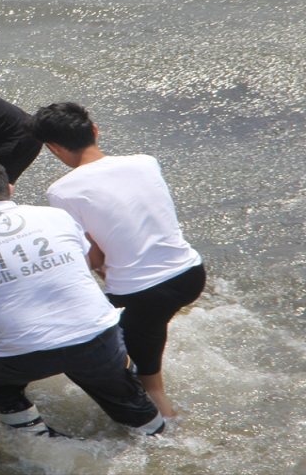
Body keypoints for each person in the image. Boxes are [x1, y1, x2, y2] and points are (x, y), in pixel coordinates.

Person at [0, 160, 165, 438]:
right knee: (121, 392)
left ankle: (34, 437)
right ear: (10, 188)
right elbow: (79, 267)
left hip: (21, 354)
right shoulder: (57, 216)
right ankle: (153, 430)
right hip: (97, 337)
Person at [32, 102, 206, 419]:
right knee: (147, 329)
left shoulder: (61, 191)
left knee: (146, 381)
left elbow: (94, 255)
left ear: (53, 148)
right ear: (95, 130)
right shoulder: (145, 162)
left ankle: (170, 439)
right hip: (191, 273)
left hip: (141, 292)